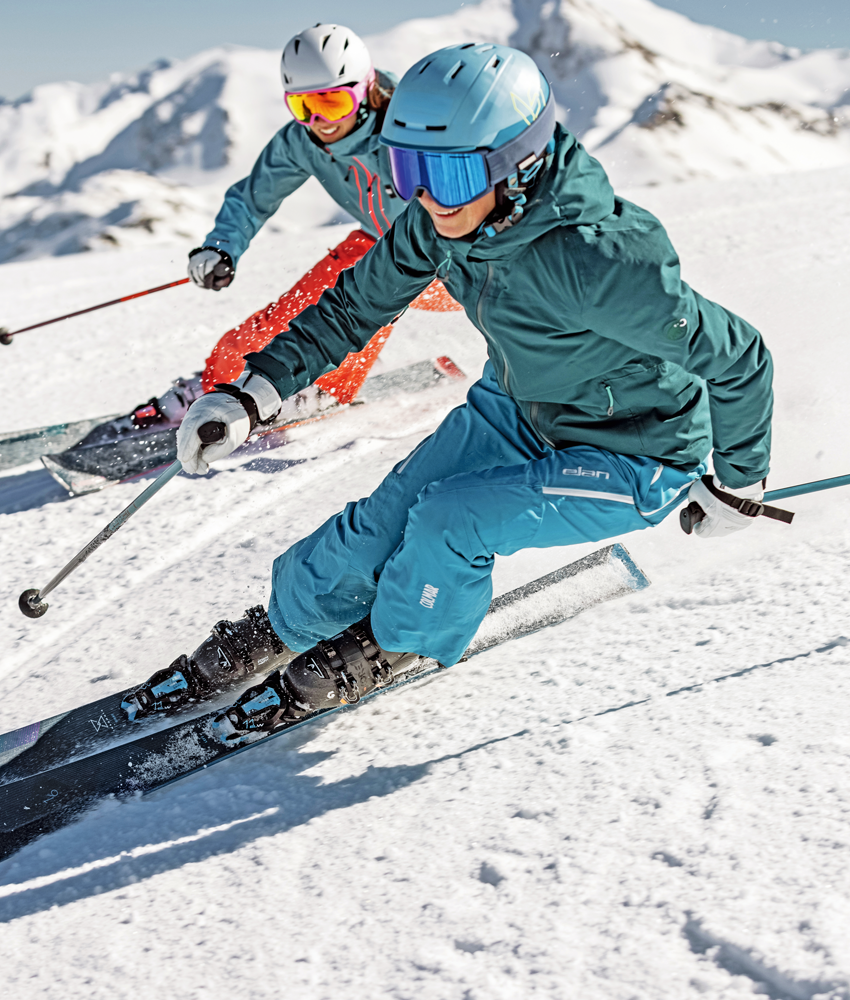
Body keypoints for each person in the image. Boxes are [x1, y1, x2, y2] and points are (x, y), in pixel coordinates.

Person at [121, 44, 775, 734]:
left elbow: (740, 357)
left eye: (451, 173)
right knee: (370, 532)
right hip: (518, 408)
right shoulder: (442, 219)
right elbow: (352, 309)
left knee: (450, 520)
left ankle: (398, 640)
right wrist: (251, 394)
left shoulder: (601, 257)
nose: (426, 196)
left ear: (516, 161)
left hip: (635, 452)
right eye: (408, 170)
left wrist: (740, 484)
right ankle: (285, 625)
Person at [130, 23, 459, 436]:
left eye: (333, 102)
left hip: (453, 263)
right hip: (383, 245)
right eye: (303, 107)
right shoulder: (302, 142)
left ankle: (309, 387)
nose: (319, 120)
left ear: (365, 90)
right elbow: (254, 196)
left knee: (353, 279)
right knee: (308, 300)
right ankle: (226, 382)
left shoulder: (408, 131)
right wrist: (222, 247)